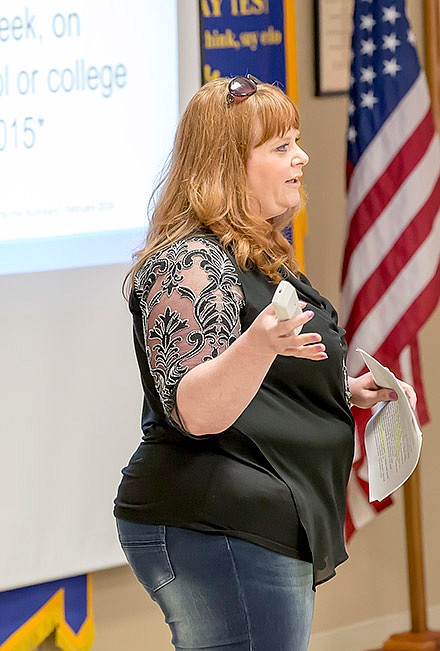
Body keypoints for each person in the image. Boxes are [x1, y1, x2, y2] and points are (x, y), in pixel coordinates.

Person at [114, 75, 416, 651]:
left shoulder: (253, 252)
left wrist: (340, 390)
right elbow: (196, 410)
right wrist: (259, 346)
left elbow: (254, 374)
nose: (301, 156)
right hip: (216, 521)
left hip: (256, 518)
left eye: (297, 141)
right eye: (280, 147)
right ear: (228, 165)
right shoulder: (189, 262)